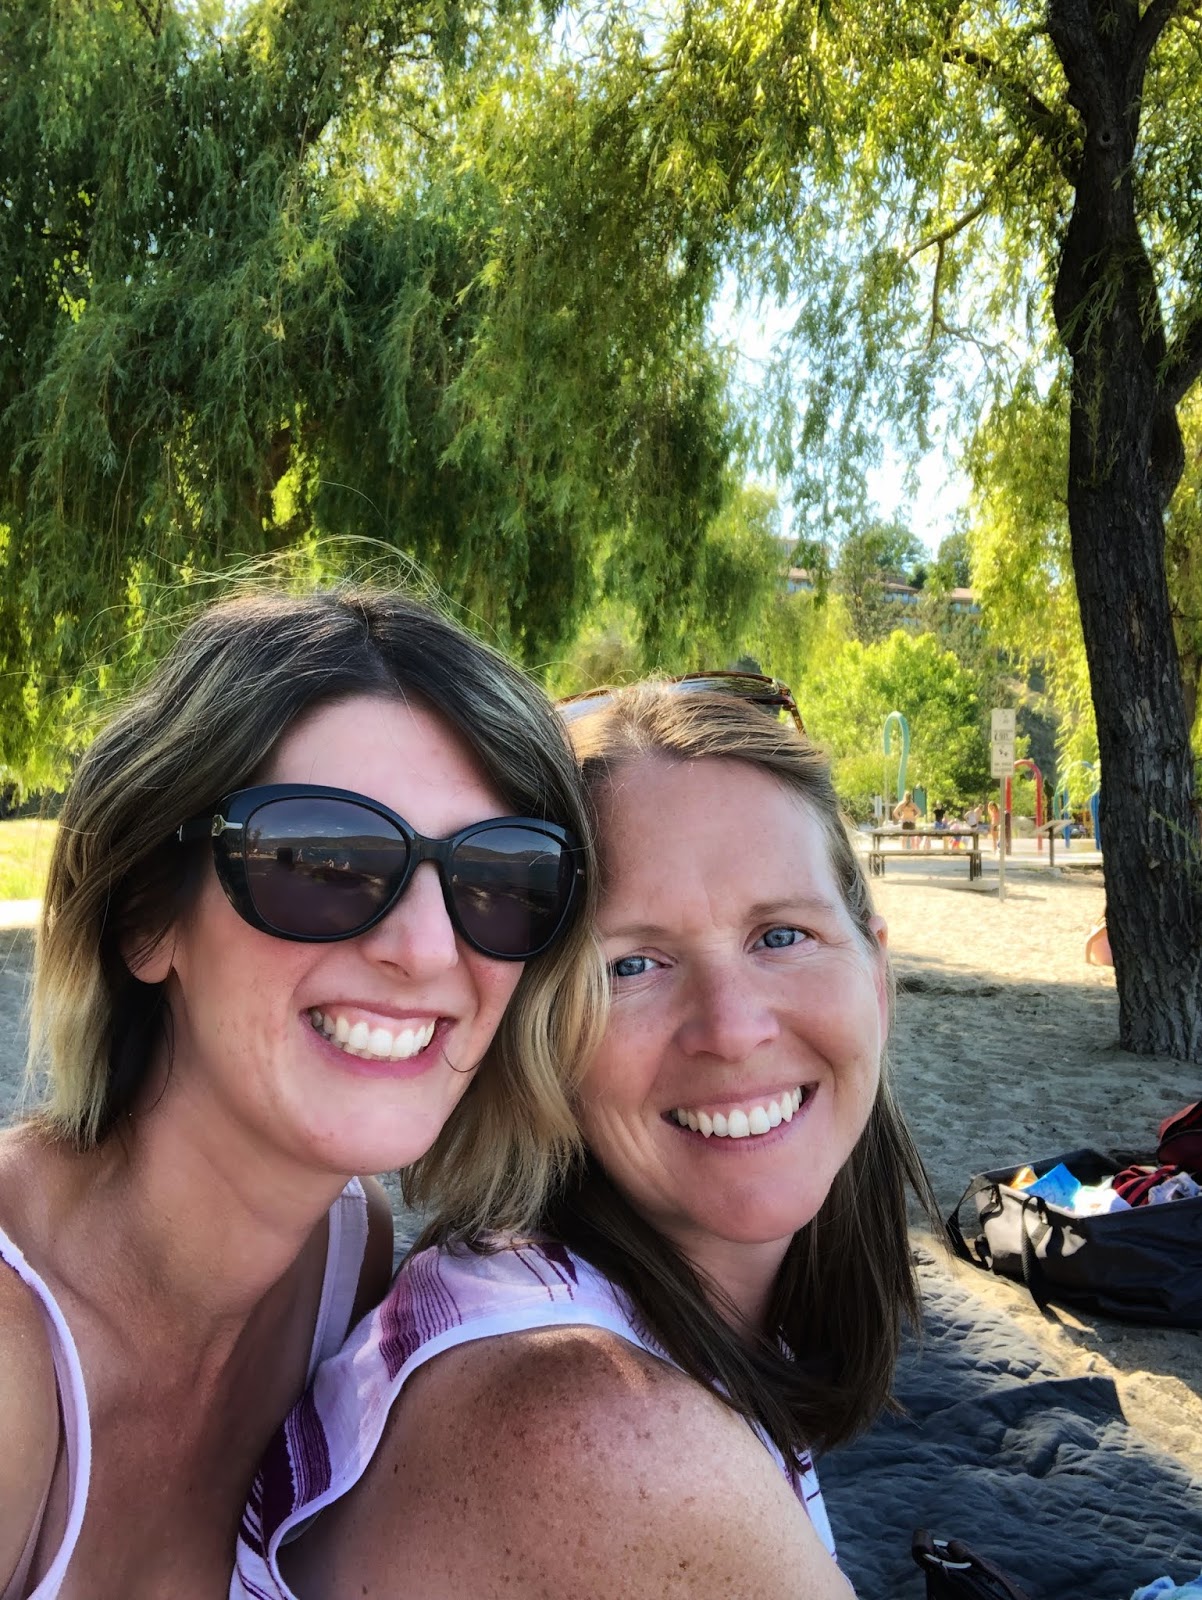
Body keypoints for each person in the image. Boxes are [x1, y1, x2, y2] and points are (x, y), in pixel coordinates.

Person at [234, 672, 936, 1600]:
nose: (732, 1030)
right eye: (632, 965)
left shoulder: (526, 1294)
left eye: (782, 936)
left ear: (876, 976)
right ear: (538, 1037)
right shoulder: (615, 1436)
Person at [0, 587, 602, 1599]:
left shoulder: (344, 1246)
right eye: (323, 860)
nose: (426, 949)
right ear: (147, 915)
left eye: (501, 879)